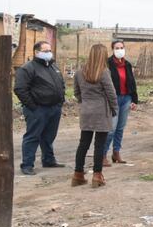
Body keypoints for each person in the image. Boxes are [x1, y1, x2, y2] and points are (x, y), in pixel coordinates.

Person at [14, 41, 66, 175]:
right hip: (38, 109)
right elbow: (20, 89)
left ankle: (48, 160)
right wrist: (33, 106)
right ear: (37, 52)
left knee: (49, 136)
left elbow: (61, 84)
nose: (49, 53)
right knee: (33, 136)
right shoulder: (28, 68)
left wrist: (60, 101)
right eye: (46, 51)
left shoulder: (53, 66)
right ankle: (27, 165)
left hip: (54, 108)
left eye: (50, 50)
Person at [72, 44, 118, 188]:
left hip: (86, 111)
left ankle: (78, 174)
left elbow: (76, 91)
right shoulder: (104, 72)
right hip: (101, 112)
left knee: (83, 143)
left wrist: (84, 102)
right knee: (99, 144)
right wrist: (114, 108)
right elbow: (111, 93)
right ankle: (97, 175)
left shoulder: (79, 72)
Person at [102, 40, 139, 167]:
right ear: (112, 49)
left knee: (120, 128)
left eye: (121, 47)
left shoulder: (127, 64)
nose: (119, 50)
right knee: (111, 128)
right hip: (113, 99)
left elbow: (132, 83)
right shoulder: (107, 64)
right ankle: (102, 154)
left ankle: (116, 152)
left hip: (126, 98)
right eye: (117, 48)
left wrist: (134, 100)